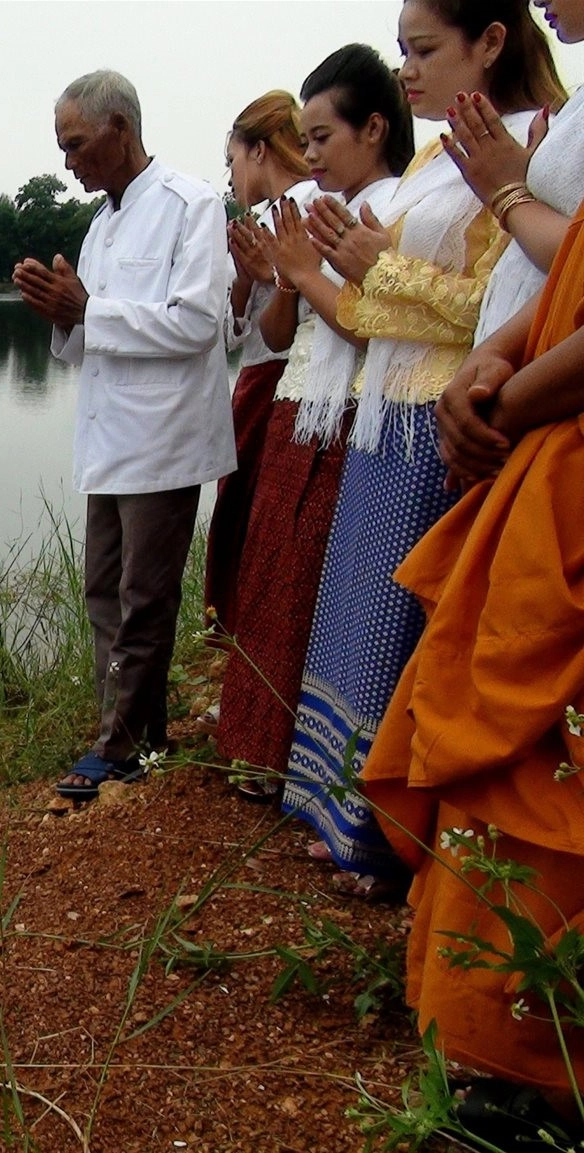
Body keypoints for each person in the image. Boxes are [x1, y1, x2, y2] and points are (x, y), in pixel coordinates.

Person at [276, 0, 564, 891]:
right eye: (401, 50)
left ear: (490, 43)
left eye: (424, 48)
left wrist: (372, 267)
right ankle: (334, 805)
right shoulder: (442, 155)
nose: (407, 70)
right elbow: (378, 311)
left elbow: (500, 303)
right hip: (385, 405)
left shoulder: (527, 145)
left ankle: (385, 834)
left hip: (447, 401)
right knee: (359, 613)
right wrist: (333, 277)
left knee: (406, 626)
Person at [362, 191, 584, 1142]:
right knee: (503, 767)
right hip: (537, 439)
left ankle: (539, 1068)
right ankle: (489, 1038)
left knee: (550, 763)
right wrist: (495, 363)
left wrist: (503, 399)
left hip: (552, 443)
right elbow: (564, 279)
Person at [13, 70, 235, 800]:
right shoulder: (102, 224)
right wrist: (64, 317)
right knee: (102, 589)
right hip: (109, 440)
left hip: (165, 438)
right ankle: (134, 729)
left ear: (120, 129)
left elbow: (200, 322)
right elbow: (88, 336)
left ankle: (124, 743)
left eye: (75, 145)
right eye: (61, 147)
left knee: (145, 594)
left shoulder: (191, 204)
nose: (68, 161)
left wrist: (90, 310)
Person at [216, 45, 411, 796]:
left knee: (306, 579)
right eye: (307, 138)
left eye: (322, 138)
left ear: (373, 129)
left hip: (350, 412)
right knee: (270, 568)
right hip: (301, 399)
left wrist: (298, 271)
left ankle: (295, 756)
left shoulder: (393, 207)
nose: (311, 154)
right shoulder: (323, 211)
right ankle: (257, 742)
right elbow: (276, 332)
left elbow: (373, 327)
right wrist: (277, 279)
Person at [202, 91, 316, 653]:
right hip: (258, 377)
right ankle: (242, 648)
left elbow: (314, 302)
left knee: (260, 518)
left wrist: (269, 272)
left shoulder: (310, 203)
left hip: (289, 382)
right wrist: (248, 279)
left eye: (232, 160)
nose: (231, 175)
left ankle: (257, 648)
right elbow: (231, 329)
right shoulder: (254, 222)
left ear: (260, 150)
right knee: (241, 510)